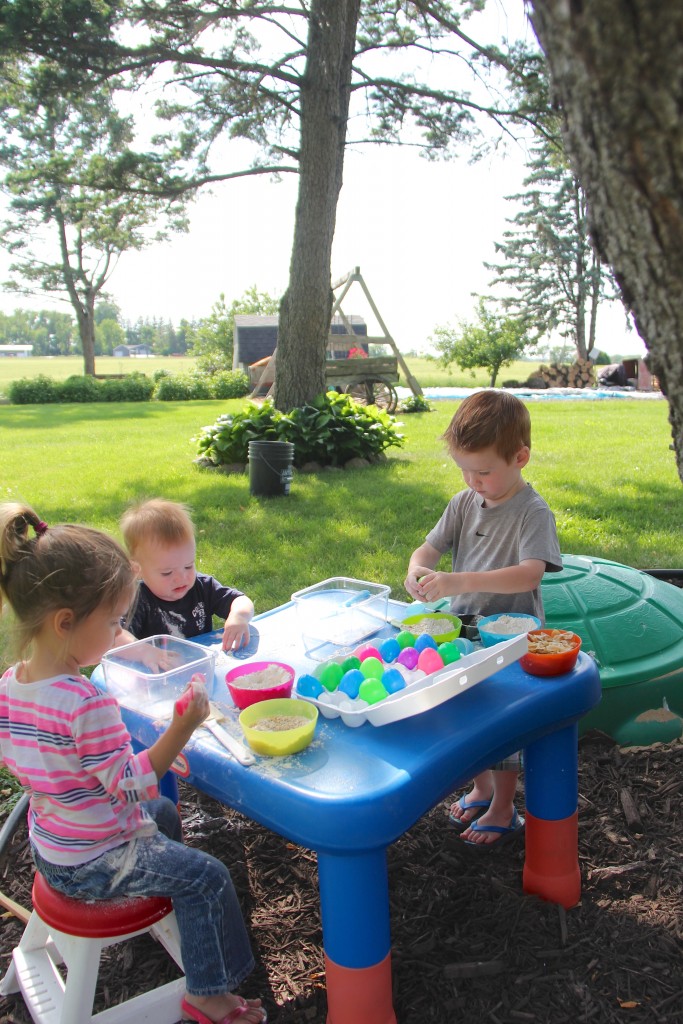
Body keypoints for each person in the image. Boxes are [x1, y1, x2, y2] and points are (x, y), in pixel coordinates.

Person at [0, 503, 266, 1024]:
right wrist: (183, 726)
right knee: (208, 877)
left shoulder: (12, 684)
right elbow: (137, 784)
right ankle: (213, 990)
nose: (123, 632)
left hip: (54, 844)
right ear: (65, 623)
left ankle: (182, 916)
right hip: (94, 860)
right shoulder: (86, 702)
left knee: (168, 821)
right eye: (117, 622)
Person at [404, 391, 562, 847]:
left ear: (521, 457)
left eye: (484, 471)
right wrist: (418, 569)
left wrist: (456, 582)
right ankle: (482, 786)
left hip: (510, 636)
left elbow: (529, 574)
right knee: (465, 712)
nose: (473, 480)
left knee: (500, 722)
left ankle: (503, 806)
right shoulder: (462, 502)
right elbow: (429, 549)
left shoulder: (532, 511)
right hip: (464, 629)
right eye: (464, 469)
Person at [119, 498, 254, 652]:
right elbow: (116, 636)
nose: (181, 578)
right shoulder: (137, 599)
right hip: (159, 672)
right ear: (137, 570)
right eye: (167, 573)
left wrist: (239, 616)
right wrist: (145, 652)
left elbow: (240, 600)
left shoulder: (202, 586)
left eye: (188, 566)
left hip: (201, 669)